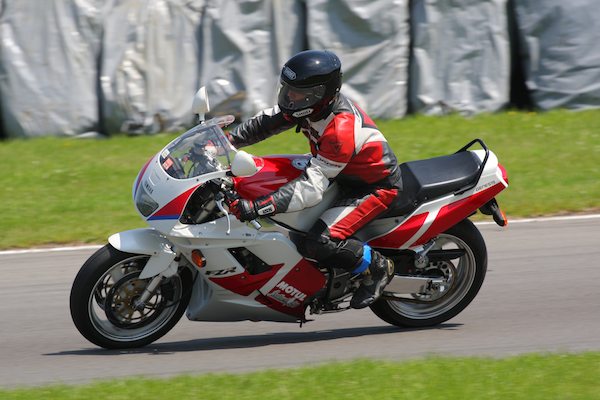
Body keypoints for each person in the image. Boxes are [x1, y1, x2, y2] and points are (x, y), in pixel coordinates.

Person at [228, 50, 402, 309]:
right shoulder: (308, 106)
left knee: (318, 243)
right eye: (287, 89)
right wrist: (224, 142)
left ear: (321, 93)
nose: (290, 96)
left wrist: (258, 207)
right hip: (336, 172)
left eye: (298, 92)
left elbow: (311, 187)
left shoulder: (340, 130)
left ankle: (377, 267)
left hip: (372, 187)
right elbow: (264, 123)